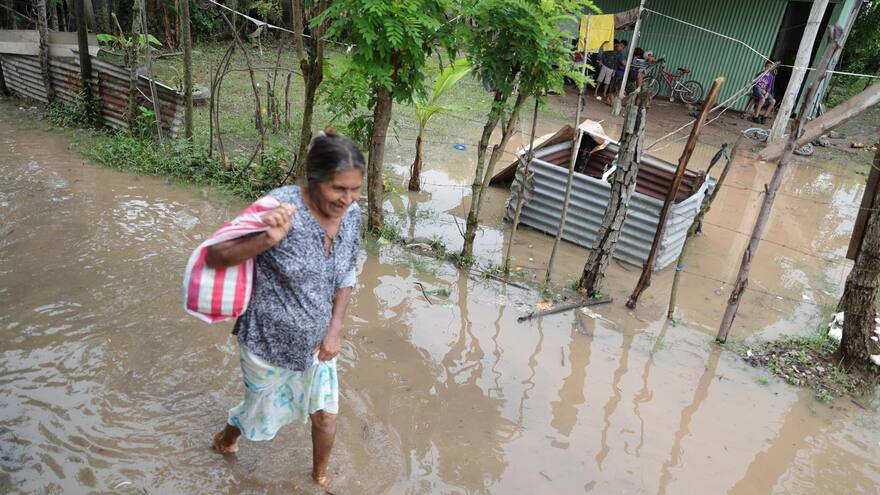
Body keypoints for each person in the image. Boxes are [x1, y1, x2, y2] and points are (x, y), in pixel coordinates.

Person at [207, 129, 364, 489]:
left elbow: (346, 273)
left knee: (325, 415)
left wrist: (335, 331)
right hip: (266, 342)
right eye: (339, 189)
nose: (348, 199)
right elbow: (216, 256)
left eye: (355, 189)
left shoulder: (353, 215)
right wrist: (267, 239)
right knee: (259, 410)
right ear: (315, 179)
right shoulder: (278, 207)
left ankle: (318, 476)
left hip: (319, 342)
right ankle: (226, 437)